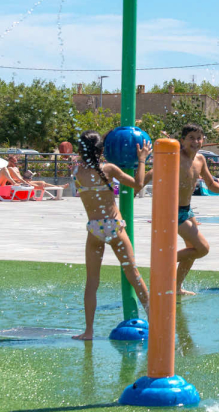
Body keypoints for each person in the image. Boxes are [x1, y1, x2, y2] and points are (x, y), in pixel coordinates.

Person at [70, 131, 151, 341]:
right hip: (114, 227)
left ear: (80, 150)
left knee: (92, 282)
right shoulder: (109, 169)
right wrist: (142, 160)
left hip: (94, 229)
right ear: (102, 151)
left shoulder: (77, 171)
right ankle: (154, 319)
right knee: (133, 274)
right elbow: (138, 184)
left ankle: (88, 331)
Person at [154, 123, 219, 296]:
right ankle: (163, 261)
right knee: (202, 248)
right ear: (182, 140)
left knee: (192, 250)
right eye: (191, 138)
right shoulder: (175, 156)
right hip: (171, 211)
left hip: (187, 210)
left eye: (199, 138)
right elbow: (155, 172)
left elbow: (210, 184)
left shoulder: (200, 160)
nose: (195, 142)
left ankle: (176, 287)